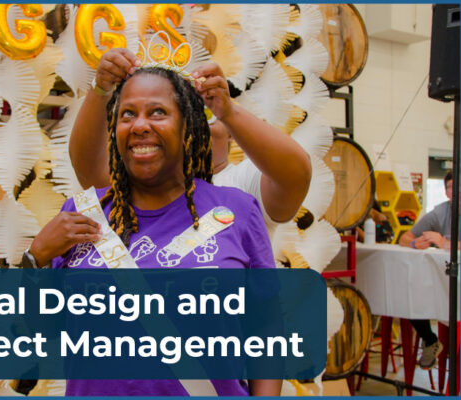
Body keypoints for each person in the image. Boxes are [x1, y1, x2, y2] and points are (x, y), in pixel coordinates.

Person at [26, 64, 281, 395]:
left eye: (158, 112)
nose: (140, 125)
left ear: (187, 125)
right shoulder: (82, 215)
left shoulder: (235, 212)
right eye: (127, 114)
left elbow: (266, 331)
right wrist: (35, 259)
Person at [68, 48, 312, 237]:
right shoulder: (145, 181)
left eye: (207, 114)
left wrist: (228, 112)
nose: (199, 126)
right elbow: (89, 170)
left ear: (231, 132)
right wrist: (100, 89)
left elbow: (295, 175)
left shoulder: (245, 186)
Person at [398, 171, 452, 369]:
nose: (457, 191)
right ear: (446, 192)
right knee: (409, 297)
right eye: (451, 187)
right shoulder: (440, 212)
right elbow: (403, 238)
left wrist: (443, 242)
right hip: (443, 280)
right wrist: (414, 243)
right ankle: (430, 341)